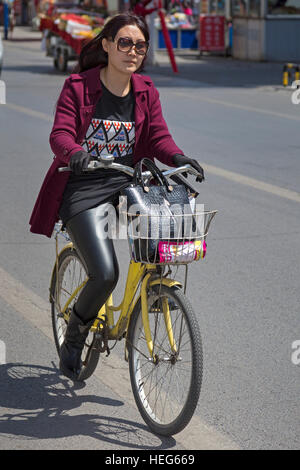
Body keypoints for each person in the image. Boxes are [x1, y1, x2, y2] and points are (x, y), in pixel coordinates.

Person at [29, 13, 204, 381]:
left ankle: (143, 299)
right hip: (82, 189)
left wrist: (177, 157)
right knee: (105, 272)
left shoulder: (145, 90)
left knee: (159, 242)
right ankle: (74, 338)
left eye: (139, 45)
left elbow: (158, 136)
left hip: (127, 183)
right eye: (124, 43)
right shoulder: (78, 87)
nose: (133, 52)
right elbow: (59, 134)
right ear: (107, 45)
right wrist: (75, 153)